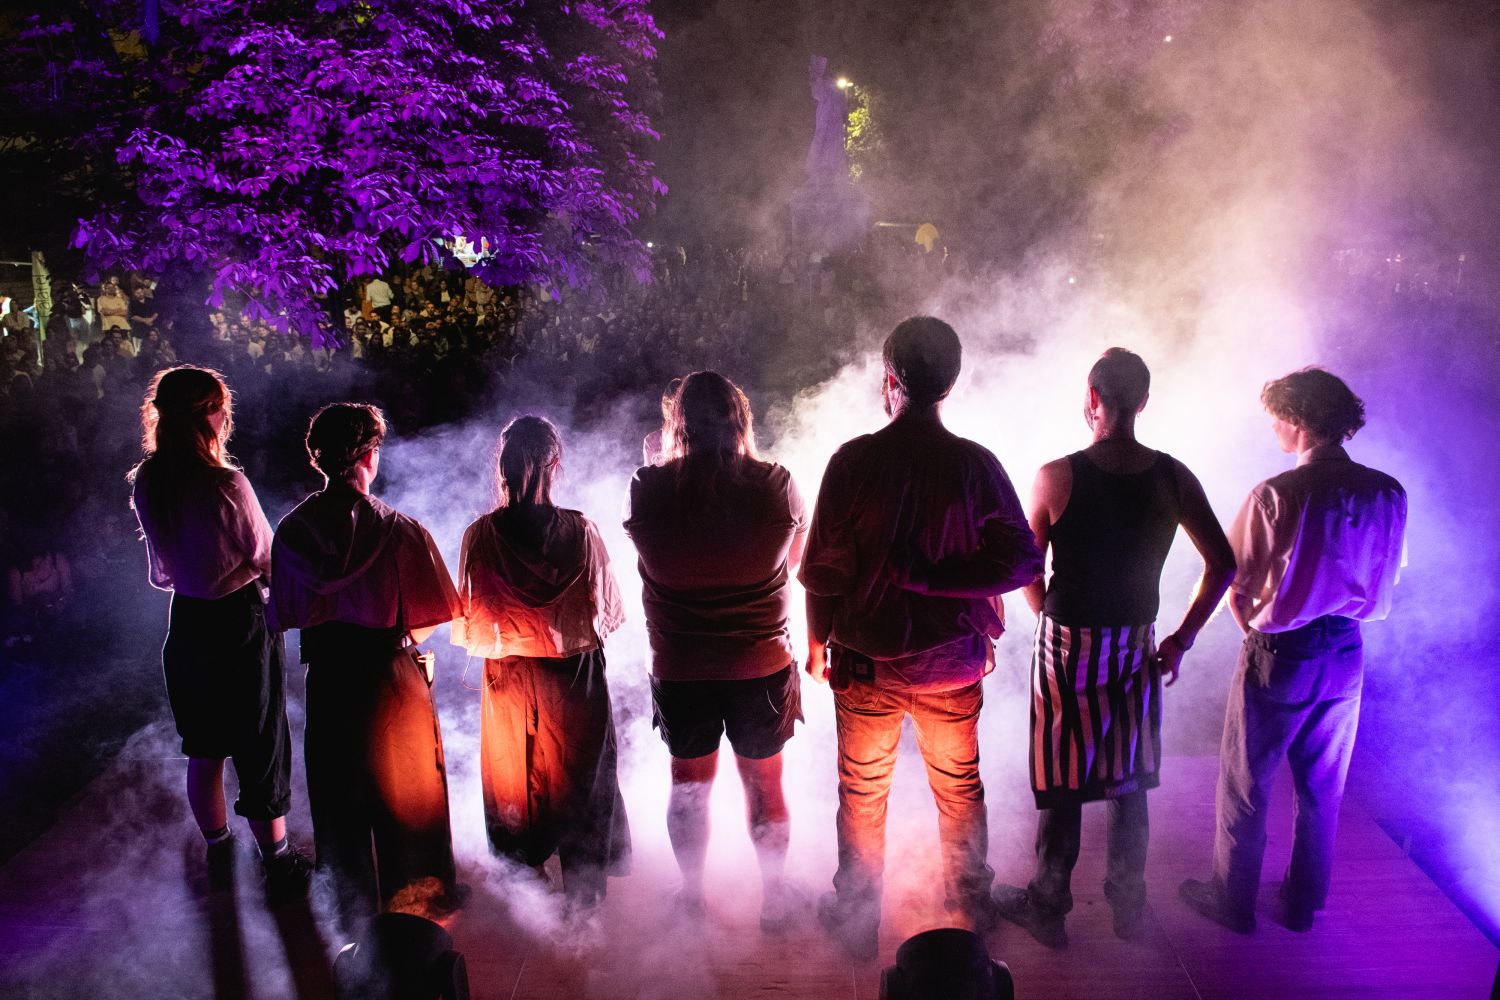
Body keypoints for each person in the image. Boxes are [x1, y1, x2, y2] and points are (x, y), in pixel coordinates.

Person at [800, 317, 1042, 960]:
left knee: (862, 792)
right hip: (953, 665)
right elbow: (1023, 562)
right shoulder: (974, 465)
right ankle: (971, 903)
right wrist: (942, 582)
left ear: (890, 381)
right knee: (960, 788)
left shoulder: (854, 461)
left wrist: (817, 645)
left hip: (866, 665)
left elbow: (823, 569)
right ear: (950, 384)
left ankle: (858, 919)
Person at [992, 348, 1236, 947]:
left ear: (1092, 398)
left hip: (1066, 644)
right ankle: (1128, 906)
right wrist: (1180, 640)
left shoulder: (1057, 475)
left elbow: (1027, 567)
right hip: (1135, 643)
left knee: (1062, 777)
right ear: (1144, 402)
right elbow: (1223, 564)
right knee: (1129, 774)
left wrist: (1046, 615)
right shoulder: (1173, 476)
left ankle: (1049, 905)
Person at [1179, 367, 1407, 933]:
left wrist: (1252, 632)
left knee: (1247, 780)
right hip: (1347, 648)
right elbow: (1388, 575)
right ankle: (1302, 903)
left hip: (1282, 649)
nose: (1272, 428)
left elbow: (1232, 579)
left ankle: (1232, 900)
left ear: (1298, 419)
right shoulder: (1388, 491)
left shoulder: (1275, 494)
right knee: (1323, 786)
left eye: (1276, 417)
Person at [624, 371, 808, 932]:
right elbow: (794, 558)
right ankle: (774, 899)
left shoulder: (648, 486)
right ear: (740, 420)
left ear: (678, 424)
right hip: (759, 662)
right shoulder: (775, 483)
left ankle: (691, 897)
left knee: (688, 788)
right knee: (765, 786)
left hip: (681, 666)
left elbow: (650, 551)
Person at [270, 403, 463, 922]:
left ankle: (352, 916)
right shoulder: (400, 530)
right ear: (369, 456)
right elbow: (433, 612)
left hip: (329, 676)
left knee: (339, 803)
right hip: (390, 675)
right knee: (412, 802)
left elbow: (284, 612)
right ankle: (416, 914)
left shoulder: (292, 532)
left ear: (317, 458)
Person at [127, 365, 311, 902]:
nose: (224, 417)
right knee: (260, 743)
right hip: (238, 620)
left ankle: (219, 849)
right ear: (207, 414)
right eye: (219, 408)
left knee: (204, 747)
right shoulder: (225, 483)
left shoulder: (149, 480)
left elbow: (162, 567)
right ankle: (278, 860)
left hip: (188, 619)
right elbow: (266, 556)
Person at [452, 415, 632, 910]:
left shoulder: (480, 535)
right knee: (581, 776)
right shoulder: (581, 530)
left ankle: (527, 886)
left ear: (504, 468)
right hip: (572, 670)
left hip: (509, 672)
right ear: (555, 464)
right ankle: (584, 897)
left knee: (515, 775)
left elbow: (472, 616)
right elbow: (605, 613)